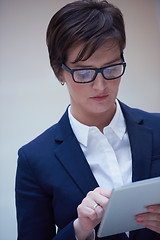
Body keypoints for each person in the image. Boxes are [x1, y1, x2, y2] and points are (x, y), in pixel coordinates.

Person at [15, 0, 160, 239]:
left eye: (112, 68)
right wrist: (79, 230)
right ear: (59, 71)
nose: (100, 85)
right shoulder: (34, 159)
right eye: (83, 72)